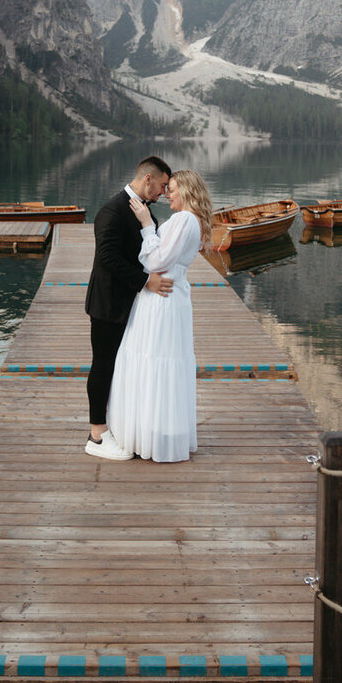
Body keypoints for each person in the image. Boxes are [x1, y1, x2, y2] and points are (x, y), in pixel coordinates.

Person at [107, 169, 213, 463]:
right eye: (167, 188)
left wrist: (145, 226)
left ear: (188, 192)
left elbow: (155, 261)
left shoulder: (183, 219)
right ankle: (160, 433)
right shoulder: (192, 222)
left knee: (153, 359)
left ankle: (148, 436)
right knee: (164, 363)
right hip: (171, 296)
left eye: (174, 188)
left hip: (161, 300)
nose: (168, 194)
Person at [84, 155, 174, 460]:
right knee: (103, 364)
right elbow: (107, 259)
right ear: (147, 179)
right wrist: (145, 281)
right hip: (108, 303)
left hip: (133, 305)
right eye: (162, 185)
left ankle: (118, 425)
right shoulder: (111, 210)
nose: (163, 192)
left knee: (123, 366)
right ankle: (96, 434)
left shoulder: (145, 211)